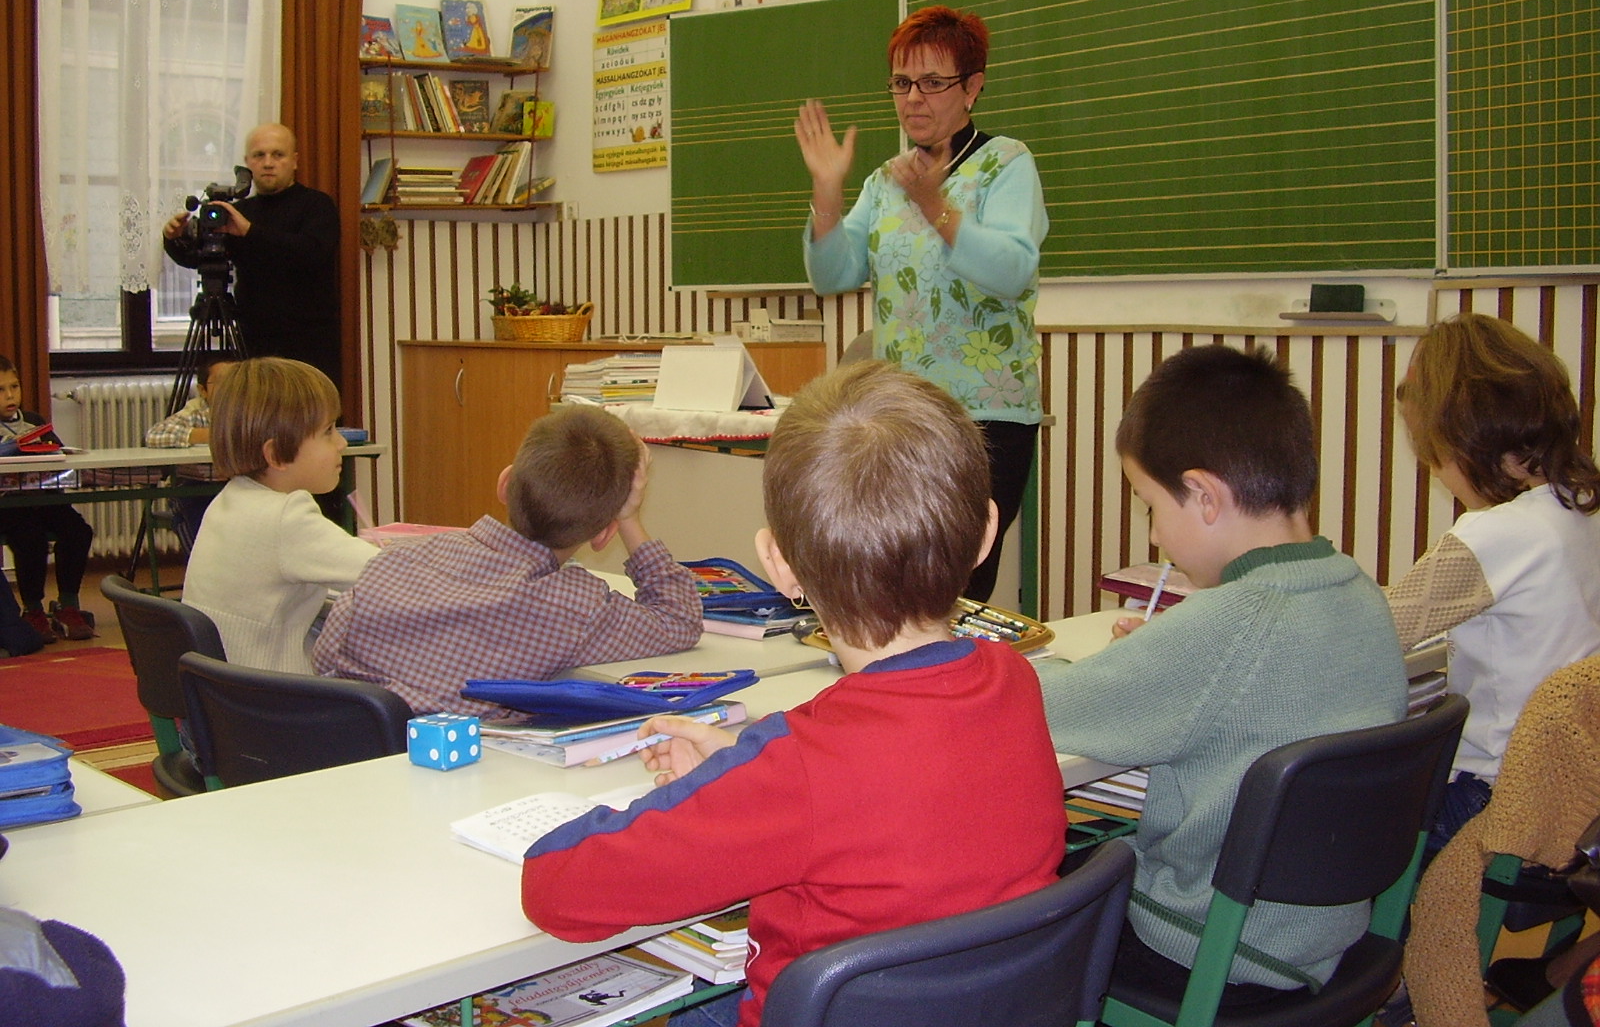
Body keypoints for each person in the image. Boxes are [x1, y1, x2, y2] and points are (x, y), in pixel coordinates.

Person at [522, 362, 1067, 1027]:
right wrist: (745, 765)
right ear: (986, 533)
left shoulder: (799, 770)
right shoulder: (1013, 679)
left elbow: (555, 887)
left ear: (778, 564)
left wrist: (746, 778)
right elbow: (889, 790)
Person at [1036, 344, 1407, 1004]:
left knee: (1021, 892)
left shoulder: (1225, 627)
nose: (1155, 535)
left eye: (1150, 505)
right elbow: (1248, 686)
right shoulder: (1361, 593)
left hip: (1206, 952)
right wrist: (1171, 650)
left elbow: (1042, 708)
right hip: (1324, 938)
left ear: (1205, 495)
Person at [794, 4, 1048, 603]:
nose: (913, 98)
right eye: (902, 82)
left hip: (985, 416)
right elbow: (833, 274)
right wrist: (827, 192)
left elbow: (1012, 270)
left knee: (958, 584)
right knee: (899, 584)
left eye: (933, 82)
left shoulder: (1007, 163)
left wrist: (938, 207)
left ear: (973, 87)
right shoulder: (887, 179)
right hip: (903, 416)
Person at [312, 405, 702, 716]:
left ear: (504, 484)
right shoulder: (578, 607)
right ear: (603, 535)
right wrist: (629, 518)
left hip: (348, 762)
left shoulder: (396, 561)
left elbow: (326, 658)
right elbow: (680, 620)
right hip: (464, 774)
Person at [1386, 313, 1600, 853]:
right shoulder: (1582, 508)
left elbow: (1377, 632)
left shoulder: (1497, 534)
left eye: (1434, 456)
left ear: (1462, 438)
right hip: (1572, 793)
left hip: (1492, 796)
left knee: (1330, 820)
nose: (1437, 473)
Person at [181, 357, 377, 673]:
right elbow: (387, 575)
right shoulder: (285, 516)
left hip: (220, 689)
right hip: (270, 692)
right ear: (276, 455)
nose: (341, 443)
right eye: (328, 431)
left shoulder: (230, 499)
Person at [161, 123, 342, 389]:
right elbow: (199, 258)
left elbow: (312, 253)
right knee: (254, 413)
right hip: (252, 340)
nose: (268, 163)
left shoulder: (317, 205)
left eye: (278, 154)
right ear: (248, 163)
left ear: (294, 161)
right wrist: (174, 238)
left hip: (309, 345)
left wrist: (249, 231)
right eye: (259, 155)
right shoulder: (240, 211)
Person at [0, 356, 95, 642]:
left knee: (78, 531)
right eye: (1, 390)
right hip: (8, 505)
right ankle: (33, 610)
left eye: (14, 387)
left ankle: (68, 604)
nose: (10, 396)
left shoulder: (34, 422)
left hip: (44, 496)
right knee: (31, 538)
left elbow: (57, 452)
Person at [144, 354, 236, 546]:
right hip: (197, 486)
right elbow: (155, 435)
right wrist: (213, 435)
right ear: (203, 390)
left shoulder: (254, 410)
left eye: (237, 382)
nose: (231, 388)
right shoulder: (197, 411)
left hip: (238, 485)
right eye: (222, 382)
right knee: (197, 514)